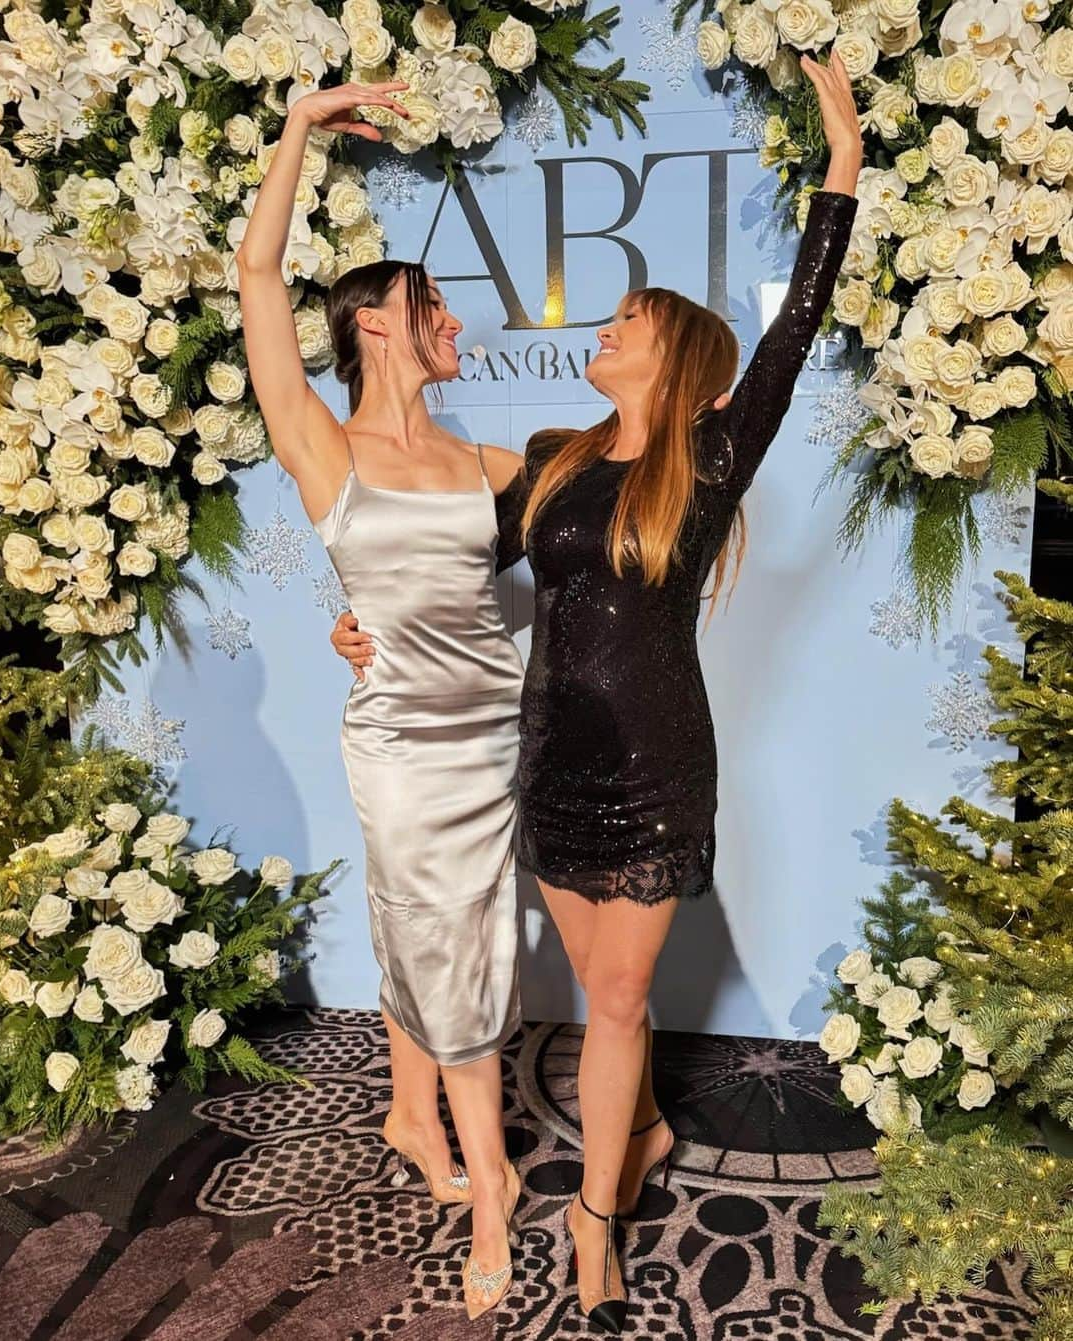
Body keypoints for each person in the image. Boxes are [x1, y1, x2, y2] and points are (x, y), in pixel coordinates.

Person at [332, 51, 860, 1334]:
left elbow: (800, 316)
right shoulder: (555, 466)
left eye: (627, 323)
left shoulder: (716, 453)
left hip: (657, 764)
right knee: (595, 999)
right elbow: (446, 557)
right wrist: (362, 627)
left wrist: (841, 154)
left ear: (672, 355)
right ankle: (648, 1124)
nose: (604, 332)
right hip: (549, 763)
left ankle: (595, 1219)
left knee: (616, 1004)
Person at [235, 79, 532, 1319]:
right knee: (449, 948)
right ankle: (500, 1180)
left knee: (452, 940)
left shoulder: (491, 462)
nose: (455, 323)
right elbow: (257, 286)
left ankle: (415, 1114)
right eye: (434, 307)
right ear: (374, 326)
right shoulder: (324, 446)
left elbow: (619, 482)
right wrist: (299, 128)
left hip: (499, 738)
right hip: (404, 744)